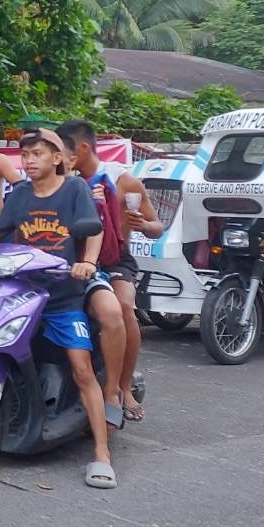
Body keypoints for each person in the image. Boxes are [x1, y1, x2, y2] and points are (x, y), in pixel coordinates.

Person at [0, 128, 116, 489]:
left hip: (62, 296)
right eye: (25, 155)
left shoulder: (73, 190)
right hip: (22, 292)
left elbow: (94, 231)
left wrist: (87, 262)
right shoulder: (21, 193)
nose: (28, 161)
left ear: (57, 158)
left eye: (37, 154)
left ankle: (102, 453)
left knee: (80, 365)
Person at [59, 120, 163, 425]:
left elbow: (157, 226)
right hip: (75, 258)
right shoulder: (63, 179)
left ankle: (122, 388)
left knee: (124, 306)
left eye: (63, 150)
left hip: (115, 259)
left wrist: (144, 226)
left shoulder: (122, 180)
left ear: (81, 149)